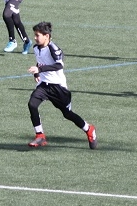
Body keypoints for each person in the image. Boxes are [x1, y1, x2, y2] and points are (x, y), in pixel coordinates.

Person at [26, 21, 97, 149]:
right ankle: (40, 135)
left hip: (58, 88)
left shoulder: (54, 49)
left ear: (46, 36)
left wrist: (40, 70)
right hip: (44, 86)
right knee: (32, 104)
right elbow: (40, 62)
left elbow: (59, 65)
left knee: (67, 114)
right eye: (35, 35)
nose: (35, 38)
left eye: (37, 35)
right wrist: (37, 73)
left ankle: (88, 129)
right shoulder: (36, 48)